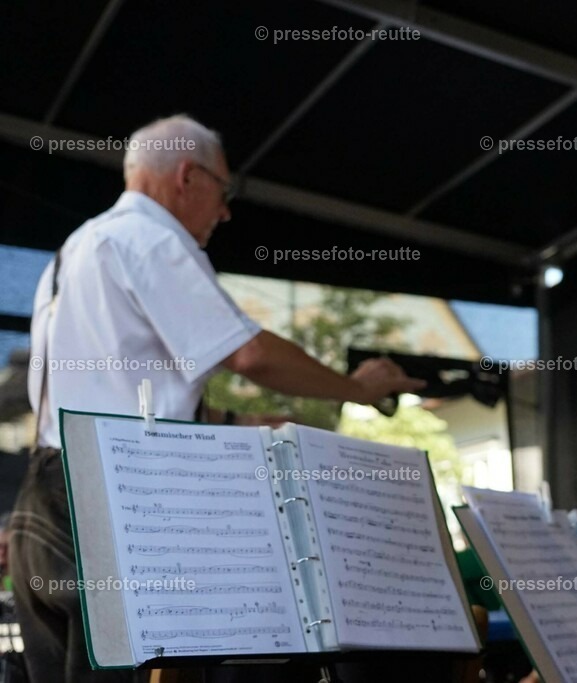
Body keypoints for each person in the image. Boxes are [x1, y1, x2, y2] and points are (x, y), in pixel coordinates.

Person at [9, 114, 425, 683]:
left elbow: (122, 390)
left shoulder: (73, 251)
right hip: (108, 497)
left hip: (42, 498)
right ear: (187, 176)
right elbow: (249, 353)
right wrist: (356, 388)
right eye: (223, 191)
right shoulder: (152, 238)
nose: (225, 211)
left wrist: (245, 420)